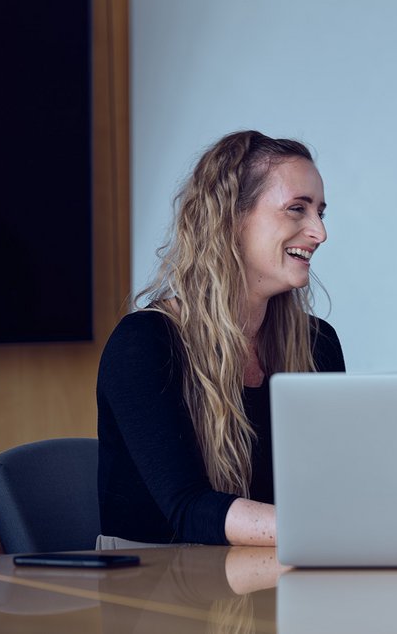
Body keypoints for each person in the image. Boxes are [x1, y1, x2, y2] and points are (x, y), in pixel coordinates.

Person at [97, 130, 345, 547]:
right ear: (231, 217)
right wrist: (329, 532)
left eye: (320, 212)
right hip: (155, 595)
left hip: (272, 576)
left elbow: (334, 487)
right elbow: (189, 511)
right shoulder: (143, 345)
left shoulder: (318, 343)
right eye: (296, 209)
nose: (319, 232)